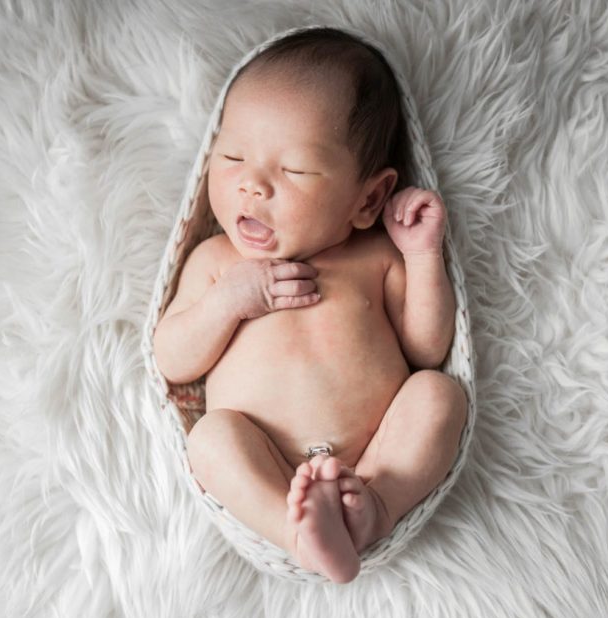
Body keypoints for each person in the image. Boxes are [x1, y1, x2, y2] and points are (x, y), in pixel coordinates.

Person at [152, 28, 468, 583]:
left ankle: (378, 504)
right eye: (232, 157)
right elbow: (173, 362)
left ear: (367, 198)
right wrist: (227, 303)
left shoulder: (377, 257)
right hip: (262, 453)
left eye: (293, 170)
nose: (252, 185)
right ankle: (293, 527)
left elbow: (427, 349)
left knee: (440, 395)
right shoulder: (216, 260)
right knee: (211, 439)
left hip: (375, 457)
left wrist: (422, 258)